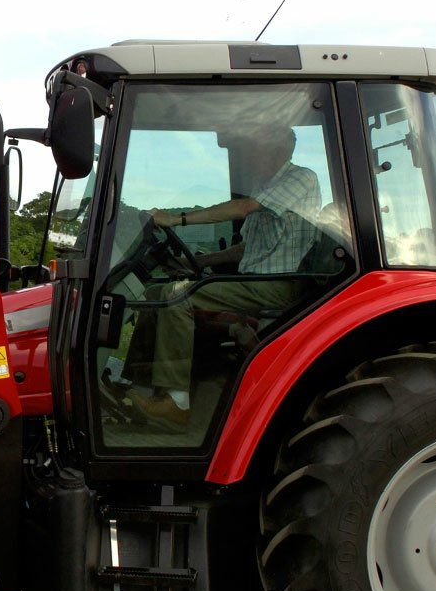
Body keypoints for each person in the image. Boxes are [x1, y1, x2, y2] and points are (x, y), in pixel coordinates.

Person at [125, 124, 320, 428]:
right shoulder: (265, 186)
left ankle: (177, 404)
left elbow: (243, 208)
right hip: (253, 283)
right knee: (154, 296)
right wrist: (197, 262)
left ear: (277, 149)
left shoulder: (300, 178)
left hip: (276, 286)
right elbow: (246, 248)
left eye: (256, 147)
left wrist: (177, 219)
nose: (251, 156)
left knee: (177, 296)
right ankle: (137, 388)